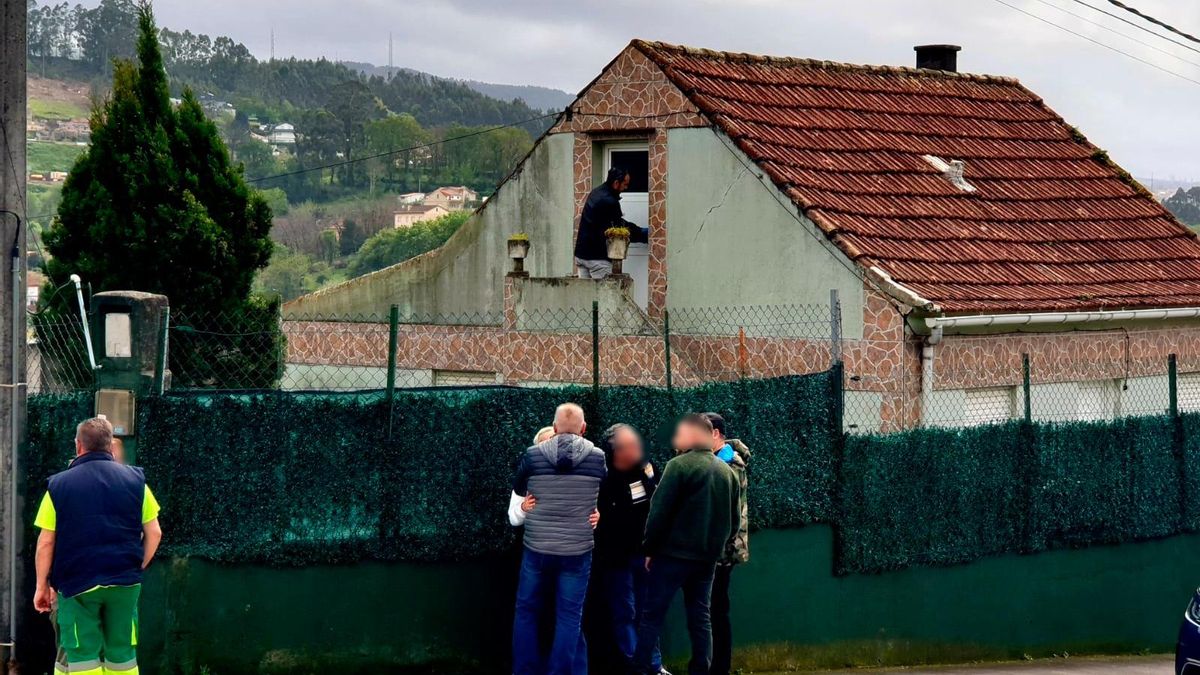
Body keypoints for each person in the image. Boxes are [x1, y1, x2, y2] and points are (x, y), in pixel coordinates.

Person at [33, 417, 163, 675]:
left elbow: (46, 542)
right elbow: (154, 532)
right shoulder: (137, 482)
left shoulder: (58, 486)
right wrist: (137, 565)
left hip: (77, 583)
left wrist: (41, 587)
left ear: (78, 446)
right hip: (125, 580)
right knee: (123, 652)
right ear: (111, 448)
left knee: (82, 653)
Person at [633, 414, 740, 675]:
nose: (676, 438)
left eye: (680, 433)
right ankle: (700, 669)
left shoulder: (678, 466)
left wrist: (649, 549)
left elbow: (659, 513)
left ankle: (639, 668)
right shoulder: (728, 472)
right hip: (706, 560)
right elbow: (734, 522)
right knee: (700, 618)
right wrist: (715, 547)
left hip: (672, 556)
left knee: (652, 615)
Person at [511, 404, 607, 675]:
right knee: (569, 616)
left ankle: (525, 670)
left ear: (553, 429)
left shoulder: (532, 455)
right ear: (584, 429)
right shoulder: (598, 457)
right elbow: (603, 489)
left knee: (527, 612)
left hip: (537, 549)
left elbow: (519, 491)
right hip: (577, 551)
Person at [592, 424, 667, 674]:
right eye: (631, 445)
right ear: (617, 451)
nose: (638, 449)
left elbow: (659, 508)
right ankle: (637, 666)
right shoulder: (601, 476)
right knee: (624, 612)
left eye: (638, 443)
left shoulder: (648, 469)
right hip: (615, 560)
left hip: (646, 557)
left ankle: (654, 665)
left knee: (648, 612)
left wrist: (650, 479)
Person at [702, 413, 751, 675]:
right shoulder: (716, 460)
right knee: (711, 609)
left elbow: (726, 512)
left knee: (716, 610)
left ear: (716, 434)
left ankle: (720, 668)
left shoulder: (730, 464)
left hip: (723, 551)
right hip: (713, 549)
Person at [574, 167, 649, 279]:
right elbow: (620, 229)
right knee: (605, 295)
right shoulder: (609, 201)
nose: (626, 187)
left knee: (586, 295)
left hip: (581, 255)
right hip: (597, 260)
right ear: (616, 183)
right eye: (625, 184)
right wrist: (644, 234)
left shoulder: (595, 192)